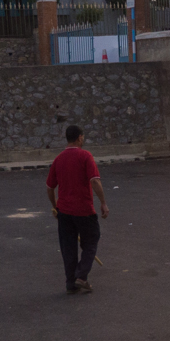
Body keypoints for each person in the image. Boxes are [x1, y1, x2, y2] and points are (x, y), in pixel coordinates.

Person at [45, 125, 109, 294]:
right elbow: (95, 181)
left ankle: (70, 283)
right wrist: (103, 202)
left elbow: (50, 187)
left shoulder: (58, 159)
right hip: (84, 210)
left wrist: (55, 206)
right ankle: (81, 275)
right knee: (91, 241)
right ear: (80, 138)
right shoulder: (85, 156)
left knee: (68, 247)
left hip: (64, 211)